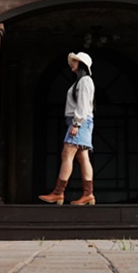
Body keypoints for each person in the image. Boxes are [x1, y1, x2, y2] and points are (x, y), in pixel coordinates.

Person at [39, 51, 96, 206]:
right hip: (81, 121)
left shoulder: (84, 81)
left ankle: (58, 193)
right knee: (82, 158)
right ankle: (88, 194)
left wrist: (76, 124)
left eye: (75, 62)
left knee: (67, 155)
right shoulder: (82, 81)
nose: (72, 65)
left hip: (80, 121)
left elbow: (83, 104)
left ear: (82, 64)